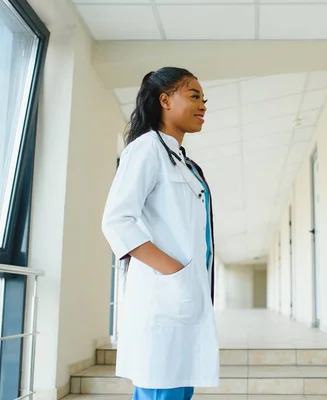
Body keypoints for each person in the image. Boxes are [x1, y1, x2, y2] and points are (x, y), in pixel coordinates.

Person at [101, 67, 219, 400]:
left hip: (184, 300)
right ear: (165, 100)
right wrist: (174, 272)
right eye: (194, 95)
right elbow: (117, 220)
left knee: (179, 389)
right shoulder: (146, 150)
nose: (203, 105)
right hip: (165, 296)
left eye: (203, 98)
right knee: (161, 389)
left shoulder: (182, 161)